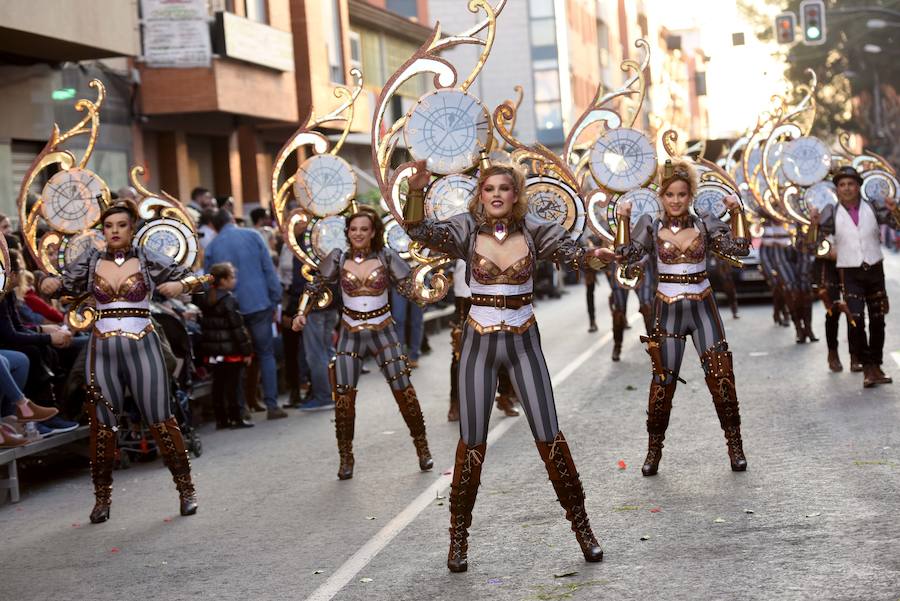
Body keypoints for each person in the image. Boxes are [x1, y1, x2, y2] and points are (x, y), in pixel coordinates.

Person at [406, 160, 613, 572]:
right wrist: (415, 190)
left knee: (549, 434)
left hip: (523, 342)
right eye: (489, 188)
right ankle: (458, 541)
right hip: (479, 343)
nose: (497, 194)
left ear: (516, 194)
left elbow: (572, 253)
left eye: (505, 188)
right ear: (480, 194)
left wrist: (593, 259)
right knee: (472, 441)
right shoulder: (465, 229)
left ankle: (584, 530)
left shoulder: (535, 229)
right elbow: (420, 232)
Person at [40, 199, 209, 522]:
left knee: (161, 419)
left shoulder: (146, 257)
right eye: (108, 226)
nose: (114, 231)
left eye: (121, 225)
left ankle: (186, 490)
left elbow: (199, 279)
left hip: (142, 345)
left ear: (132, 229)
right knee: (102, 427)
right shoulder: (90, 259)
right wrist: (44, 282)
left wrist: (180, 284)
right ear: (102, 230)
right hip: (102, 348)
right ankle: (101, 500)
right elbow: (58, 284)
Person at [616, 159, 750, 476]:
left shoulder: (704, 223)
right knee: (662, 383)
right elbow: (624, 256)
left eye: (682, 194)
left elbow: (741, 247)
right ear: (661, 196)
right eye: (670, 194)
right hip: (668, 310)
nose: (676, 200)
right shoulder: (649, 224)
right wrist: (622, 219)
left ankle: (735, 446)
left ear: (690, 196)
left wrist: (736, 212)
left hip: (703, 309)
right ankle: (653, 452)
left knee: (722, 380)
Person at [292, 206, 433, 480]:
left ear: (374, 233)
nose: (358, 233)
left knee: (404, 391)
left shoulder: (386, 256)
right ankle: (346, 457)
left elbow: (409, 288)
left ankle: (422, 448)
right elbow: (315, 287)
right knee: (343, 398)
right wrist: (300, 313)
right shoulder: (337, 257)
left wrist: (432, 288)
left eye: (364, 229)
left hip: (384, 331)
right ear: (347, 233)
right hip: (350, 332)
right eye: (353, 229)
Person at [809, 166, 899, 388]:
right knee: (857, 320)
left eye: (850, 184)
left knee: (878, 320)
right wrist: (813, 222)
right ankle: (867, 368)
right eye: (842, 185)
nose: (847, 188)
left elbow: (896, 225)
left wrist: (895, 210)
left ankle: (876, 365)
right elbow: (811, 243)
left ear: (858, 186)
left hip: (875, 269)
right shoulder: (830, 211)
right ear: (837, 189)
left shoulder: (874, 207)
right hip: (849, 272)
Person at [204, 209, 287, 420]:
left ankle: (241, 409)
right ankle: (272, 405)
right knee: (266, 353)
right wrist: (275, 296)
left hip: (230, 308)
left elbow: (209, 283)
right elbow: (268, 268)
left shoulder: (213, 246)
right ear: (232, 219)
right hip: (258, 302)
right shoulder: (252, 235)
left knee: (237, 359)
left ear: (213, 226)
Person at [447, 259, 519, 422]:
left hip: (494, 297)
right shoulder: (460, 237)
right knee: (459, 353)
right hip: (465, 302)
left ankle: (504, 395)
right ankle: (455, 402)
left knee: (503, 346)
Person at [196, 262, 254, 429]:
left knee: (218, 384)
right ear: (223, 280)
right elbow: (238, 329)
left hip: (213, 352)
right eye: (232, 277)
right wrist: (247, 351)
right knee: (233, 385)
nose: (234, 280)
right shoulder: (229, 300)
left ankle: (221, 419)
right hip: (231, 351)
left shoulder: (205, 298)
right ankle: (236, 417)